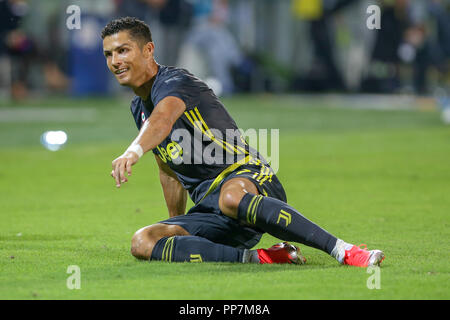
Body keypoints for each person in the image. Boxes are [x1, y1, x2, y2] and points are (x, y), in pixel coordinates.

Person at [101, 17, 385, 267]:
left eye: (123, 50)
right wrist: (177, 225)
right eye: (109, 54)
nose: (115, 61)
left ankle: (344, 250)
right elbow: (168, 170)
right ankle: (260, 258)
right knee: (143, 241)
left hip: (249, 180)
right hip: (211, 209)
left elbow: (163, 119)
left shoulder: (175, 82)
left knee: (230, 197)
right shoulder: (138, 108)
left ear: (148, 50)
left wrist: (133, 150)